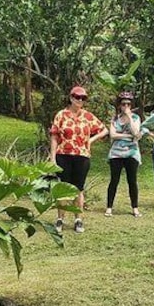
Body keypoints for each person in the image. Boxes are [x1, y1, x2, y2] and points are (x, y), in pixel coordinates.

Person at [49, 85, 108, 234]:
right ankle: (60, 218)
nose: (80, 100)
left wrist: (91, 140)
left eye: (83, 98)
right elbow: (54, 136)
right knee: (63, 188)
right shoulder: (62, 115)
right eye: (77, 97)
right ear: (71, 98)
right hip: (64, 155)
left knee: (78, 189)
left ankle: (78, 219)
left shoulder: (87, 116)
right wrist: (52, 156)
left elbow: (104, 130)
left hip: (81, 156)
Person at [105, 91, 147, 217]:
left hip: (132, 153)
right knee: (114, 180)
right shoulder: (114, 119)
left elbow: (136, 132)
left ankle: (135, 207)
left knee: (132, 181)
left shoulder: (135, 118)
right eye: (123, 104)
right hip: (116, 154)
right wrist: (128, 136)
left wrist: (129, 117)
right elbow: (113, 135)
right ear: (119, 105)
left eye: (129, 104)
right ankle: (109, 207)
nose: (126, 106)